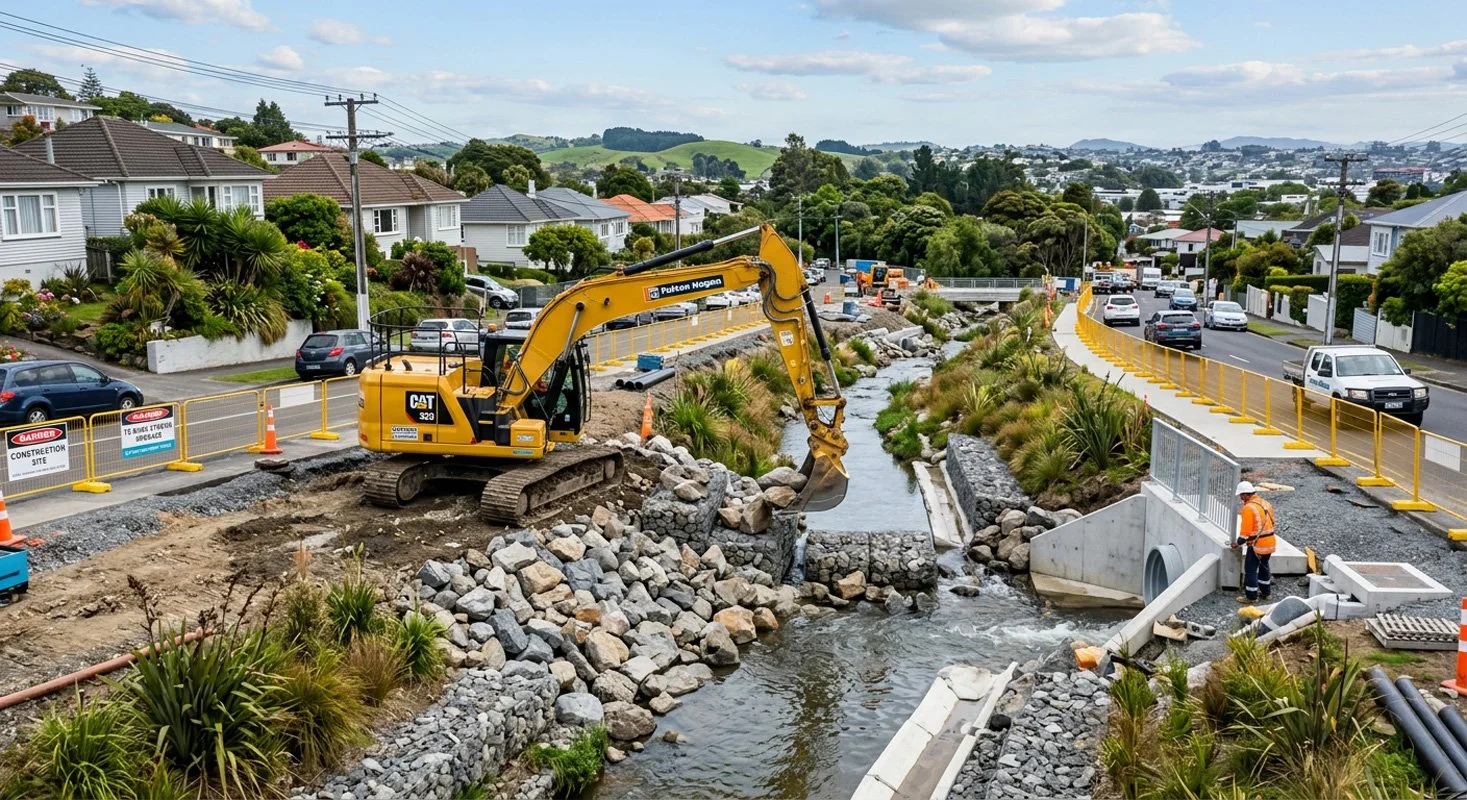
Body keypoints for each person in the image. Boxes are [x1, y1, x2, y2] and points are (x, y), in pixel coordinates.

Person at [1232, 481, 1276, 603]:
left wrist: (1238, 543)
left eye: (1241, 495)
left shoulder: (1248, 508)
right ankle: (1266, 593)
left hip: (1258, 545)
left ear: (1246, 494)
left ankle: (1251, 597)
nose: (1241, 498)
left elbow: (1245, 532)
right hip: (1270, 542)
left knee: (1250, 570)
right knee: (1264, 567)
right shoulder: (1265, 503)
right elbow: (1273, 522)